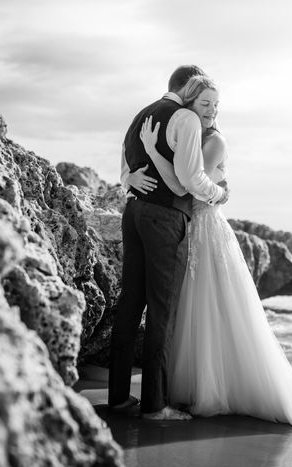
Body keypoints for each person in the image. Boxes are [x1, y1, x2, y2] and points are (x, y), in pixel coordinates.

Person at [135, 75, 292, 441]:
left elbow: (190, 187)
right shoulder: (189, 134)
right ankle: (186, 386)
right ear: (189, 103)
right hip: (195, 227)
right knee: (194, 306)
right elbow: (192, 179)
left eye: (216, 106)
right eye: (205, 104)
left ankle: (210, 387)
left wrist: (166, 162)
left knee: (211, 304)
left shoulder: (214, 140)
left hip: (206, 229)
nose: (211, 111)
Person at [108, 66, 229, 421]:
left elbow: (123, 171)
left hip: (133, 212)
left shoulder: (140, 115)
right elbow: (187, 182)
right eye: (202, 98)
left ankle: (117, 398)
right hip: (165, 216)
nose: (205, 107)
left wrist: (132, 177)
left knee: (130, 303)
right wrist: (219, 193)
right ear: (188, 89)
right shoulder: (185, 119)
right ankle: (155, 405)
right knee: (163, 310)